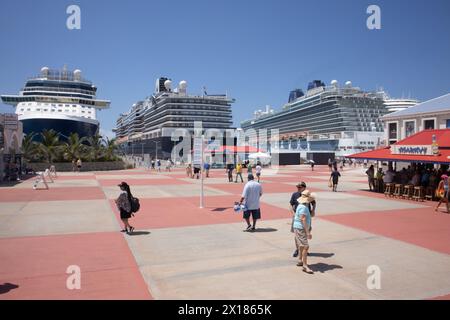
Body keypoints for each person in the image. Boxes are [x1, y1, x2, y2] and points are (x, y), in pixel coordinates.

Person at [289, 182, 316, 258]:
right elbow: (291, 204)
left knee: (305, 233)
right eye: (297, 187)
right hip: (297, 218)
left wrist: (313, 211)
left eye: (300, 187)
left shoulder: (308, 196)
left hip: (306, 218)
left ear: (304, 187)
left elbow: (314, 203)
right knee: (296, 234)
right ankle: (297, 249)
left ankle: (304, 249)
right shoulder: (295, 194)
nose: (298, 189)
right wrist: (293, 213)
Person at [293, 190, 315, 274]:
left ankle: (300, 260)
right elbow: (303, 219)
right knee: (306, 246)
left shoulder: (302, 205)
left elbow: (312, 215)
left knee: (302, 245)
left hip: (299, 227)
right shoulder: (303, 207)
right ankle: (305, 266)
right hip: (301, 228)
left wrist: (314, 207)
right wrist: (308, 232)